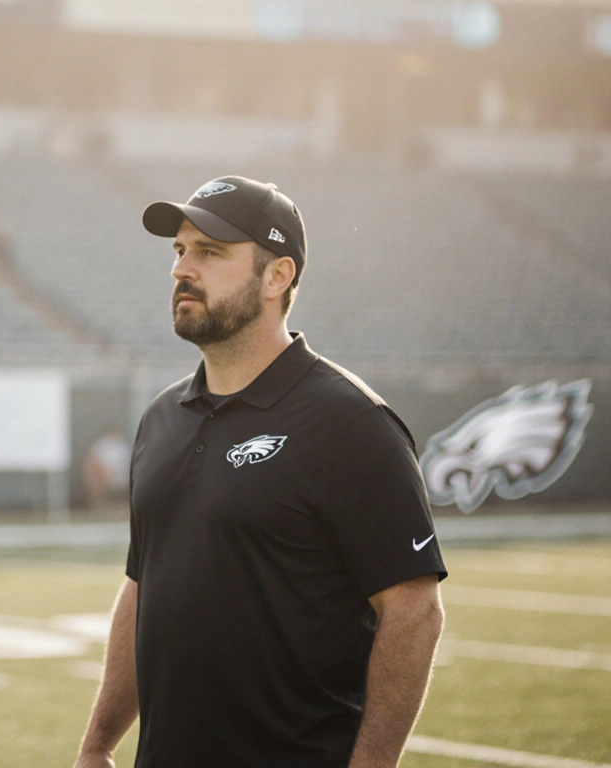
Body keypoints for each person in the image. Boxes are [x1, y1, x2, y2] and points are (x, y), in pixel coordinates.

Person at [74, 177, 447, 768]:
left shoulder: (350, 421)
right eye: (179, 250)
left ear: (277, 277)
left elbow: (414, 610)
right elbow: (143, 586)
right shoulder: (161, 419)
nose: (181, 270)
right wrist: (97, 744)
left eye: (210, 251)